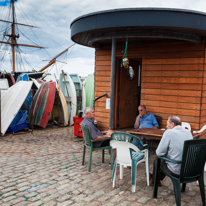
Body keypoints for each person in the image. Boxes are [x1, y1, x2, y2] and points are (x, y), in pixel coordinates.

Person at [150, 116, 193, 186]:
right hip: (187, 169)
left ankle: (155, 181)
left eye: (167, 124)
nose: (166, 126)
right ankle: (153, 178)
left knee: (157, 161)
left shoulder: (169, 133)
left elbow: (159, 153)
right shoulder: (188, 132)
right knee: (164, 161)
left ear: (172, 124)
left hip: (177, 171)